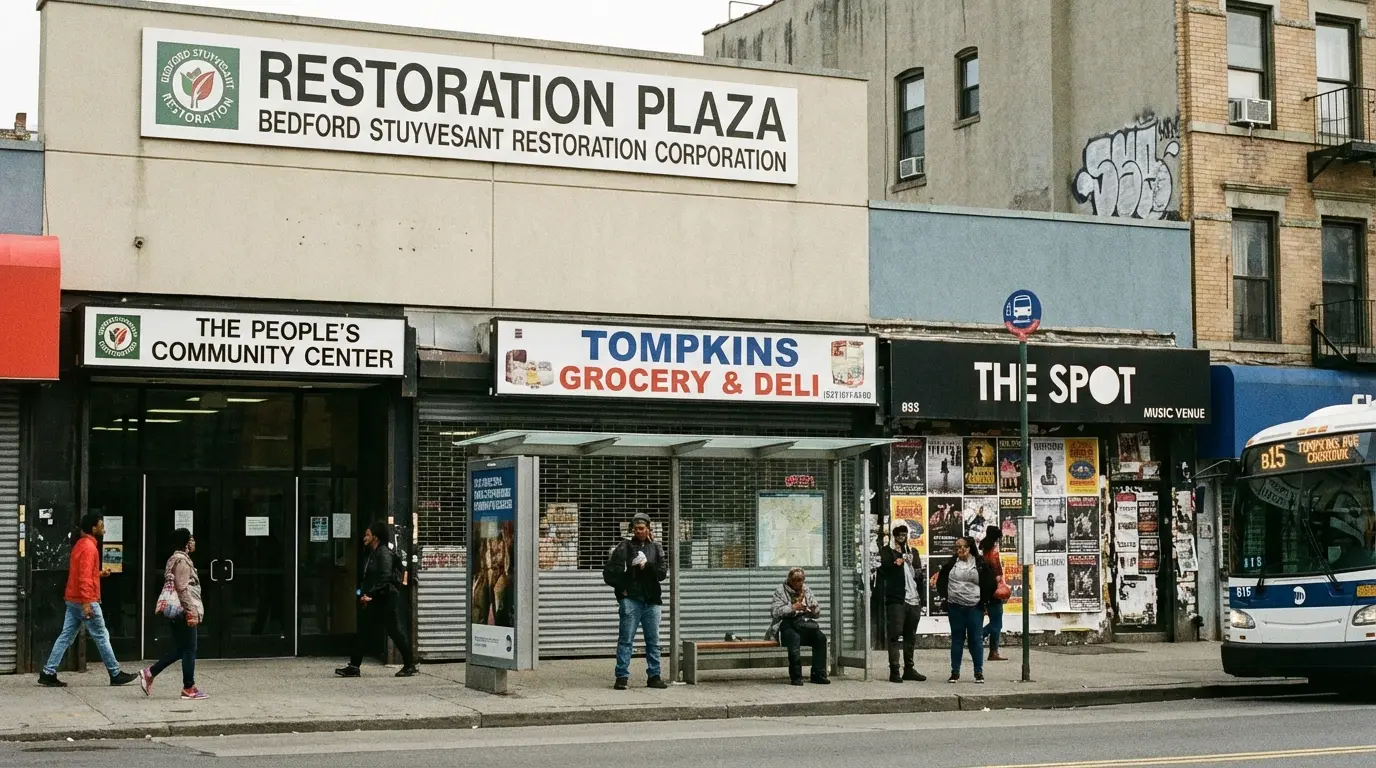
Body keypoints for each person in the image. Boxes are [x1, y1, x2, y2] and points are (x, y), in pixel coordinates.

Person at [38, 513, 139, 687]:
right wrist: (86, 603)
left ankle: (48, 671)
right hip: (85, 600)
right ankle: (115, 673)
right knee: (101, 635)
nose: (104, 529)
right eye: (101, 525)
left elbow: (82, 573)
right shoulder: (89, 548)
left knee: (65, 636)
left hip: (72, 599)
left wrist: (99, 574)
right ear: (93, 528)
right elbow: (84, 578)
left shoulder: (80, 545)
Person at [336, 521, 417, 678]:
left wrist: (371, 595)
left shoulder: (383, 553)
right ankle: (354, 666)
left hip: (385, 599)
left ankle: (409, 664)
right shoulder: (373, 553)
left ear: (376, 537)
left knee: (393, 631)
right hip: (378, 598)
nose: (364, 538)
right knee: (364, 630)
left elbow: (385, 578)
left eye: (367, 535)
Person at [602, 512, 668, 690]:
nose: (639, 531)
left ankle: (654, 676)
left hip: (652, 600)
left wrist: (647, 566)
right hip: (631, 599)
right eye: (636, 529)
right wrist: (622, 591)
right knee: (626, 640)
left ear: (648, 529)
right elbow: (610, 573)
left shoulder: (656, 548)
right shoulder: (624, 547)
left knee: (653, 641)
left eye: (642, 528)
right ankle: (622, 677)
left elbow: (662, 573)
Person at [140, 528, 206, 699]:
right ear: (186, 543)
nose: (194, 542)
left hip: (178, 612)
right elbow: (182, 588)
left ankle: (150, 673)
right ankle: (188, 688)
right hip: (183, 611)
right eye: (191, 539)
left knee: (182, 649)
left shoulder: (175, 559)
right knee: (190, 649)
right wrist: (191, 612)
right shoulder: (182, 561)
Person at [936, 537, 997, 684]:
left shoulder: (979, 563)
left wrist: (984, 601)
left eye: (964, 546)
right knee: (957, 639)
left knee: (976, 639)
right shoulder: (952, 563)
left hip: (974, 607)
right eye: (958, 547)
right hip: (955, 606)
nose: (961, 550)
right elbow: (942, 579)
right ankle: (955, 672)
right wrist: (946, 597)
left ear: (970, 548)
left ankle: (978, 672)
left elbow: (990, 582)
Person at [877, 524, 927, 683]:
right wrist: (895, 563)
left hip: (914, 598)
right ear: (894, 536)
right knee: (894, 634)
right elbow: (883, 571)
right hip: (897, 599)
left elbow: (919, 575)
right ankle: (894, 670)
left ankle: (909, 669)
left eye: (904, 535)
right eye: (899, 535)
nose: (901, 538)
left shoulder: (913, 552)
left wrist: (912, 565)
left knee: (910, 636)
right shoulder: (887, 551)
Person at [766, 568, 829, 686]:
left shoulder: (806, 590)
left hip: (803, 624)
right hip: (785, 625)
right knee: (794, 638)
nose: (799, 583)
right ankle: (796, 676)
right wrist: (792, 607)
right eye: (796, 580)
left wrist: (813, 609)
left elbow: (817, 613)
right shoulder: (780, 591)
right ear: (790, 580)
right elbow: (774, 612)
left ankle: (818, 674)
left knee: (820, 638)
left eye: (801, 580)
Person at [980, 525, 1009, 662]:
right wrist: (1003, 591)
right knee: (997, 623)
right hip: (994, 591)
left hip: (986, 590)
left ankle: (994, 651)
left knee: (995, 622)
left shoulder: (985, 551)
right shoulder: (993, 553)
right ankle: (979, 636)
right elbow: (998, 575)